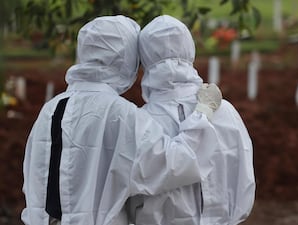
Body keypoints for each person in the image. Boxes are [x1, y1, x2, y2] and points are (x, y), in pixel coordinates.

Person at [21, 15, 223, 225]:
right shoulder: (119, 113)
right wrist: (203, 113)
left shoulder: (50, 109)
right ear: (125, 58)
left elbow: (34, 180)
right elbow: (177, 163)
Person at [129, 15, 255, 225]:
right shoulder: (225, 111)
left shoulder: (139, 122)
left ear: (143, 58)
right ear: (190, 48)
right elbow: (244, 179)